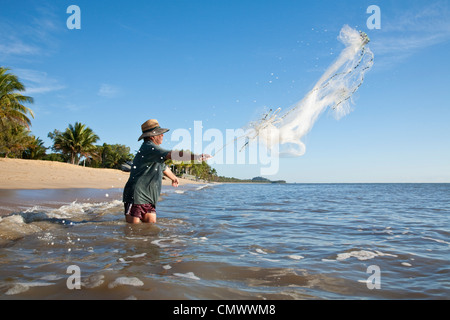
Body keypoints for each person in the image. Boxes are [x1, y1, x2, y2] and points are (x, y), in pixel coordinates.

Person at [123, 119, 211, 224]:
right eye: (160, 133)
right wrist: (196, 157)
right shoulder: (149, 147)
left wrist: (174, 178)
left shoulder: (154, 151)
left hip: (149, 197)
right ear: (152, 136)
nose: (163, 136)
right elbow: (172, 154)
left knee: (149, 229)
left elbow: (163, 167)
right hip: (136, 196)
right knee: (132, 231)